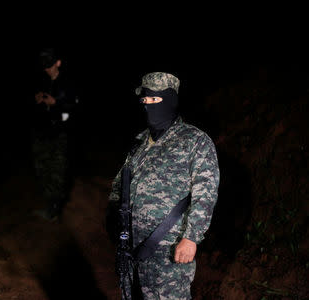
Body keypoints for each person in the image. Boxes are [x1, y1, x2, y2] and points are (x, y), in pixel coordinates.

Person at [107, 72, 220, 299]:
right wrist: (112, 213)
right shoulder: (140, 143)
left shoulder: (194, 140)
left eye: (155, 100)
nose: (148, 106)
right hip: (131, 249)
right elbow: (121, 183)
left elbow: (205, 192)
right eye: (145, 101)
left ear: (170, 101)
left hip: (168, 252)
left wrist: (191, 238)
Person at [30, 48, 79, 221]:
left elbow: (74, 108)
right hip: (43, 133)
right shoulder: (42, 81)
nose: (47, 69)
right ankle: (51, 203)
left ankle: (54, 209)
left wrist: (56, 103)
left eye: (50, 65)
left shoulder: (68, 83)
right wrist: (39, 101)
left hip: (60, 135)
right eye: (44, 66)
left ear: (58, 63)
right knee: (42, 169)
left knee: (57, 171)